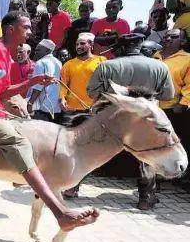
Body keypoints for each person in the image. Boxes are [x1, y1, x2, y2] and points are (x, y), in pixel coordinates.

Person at [0, 10, 99, 231]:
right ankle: (61, 213)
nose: (30, 31)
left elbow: (4, 93)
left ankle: (24, 175)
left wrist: (33, 81)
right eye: (26, 27)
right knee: (18, 142)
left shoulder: (7, 56)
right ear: (11, 29)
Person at [87, 33, 175, 210]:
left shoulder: (106, 66)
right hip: (146, 121)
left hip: (113, 118)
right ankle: (146, 198)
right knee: (147, 158)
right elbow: (168, 95)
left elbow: (92, 92)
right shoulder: (160, 67)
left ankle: (72, 188)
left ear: (120, 48)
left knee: (91, 150)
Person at [154, 29, 190, 187]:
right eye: (167, 36)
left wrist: (183, 103)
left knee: (174, 143)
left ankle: (178, 174)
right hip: (153, 107)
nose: (168, 39)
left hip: (173, 108)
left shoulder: (187, 59)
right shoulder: (155, 56)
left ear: (183, 42)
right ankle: (156, 174)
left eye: (174, 37)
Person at [60, 33, 106, 112]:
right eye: (77, 44)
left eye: (82, 44)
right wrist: (62, 99)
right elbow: (63, 84)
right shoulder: (68, 64)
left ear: (91, 44)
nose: (78, 47)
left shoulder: (101, 60)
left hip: (94, 108)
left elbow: (107, 83)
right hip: (72, 108)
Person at [28, 39, 63, 123]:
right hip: (56, 107)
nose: (36, 52)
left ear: (47, 50)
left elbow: (38, 87)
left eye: (38, 50)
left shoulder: (41, 63)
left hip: (43, 108)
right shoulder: (58, 62)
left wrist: (30, 103)